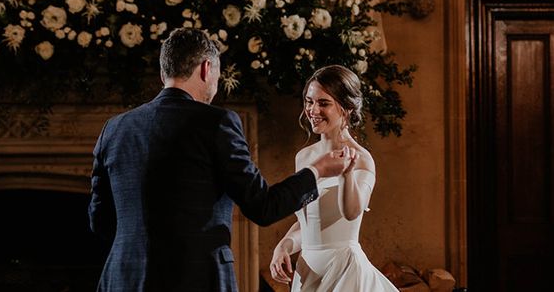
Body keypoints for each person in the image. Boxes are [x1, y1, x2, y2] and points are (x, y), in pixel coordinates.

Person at [88, 28, 353, 292]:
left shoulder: (113, 129)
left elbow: (100, 221)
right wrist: (316, 171)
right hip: (197, 278)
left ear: (163, 73)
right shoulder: (216, 123)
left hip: (121, 279)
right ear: (206, 69)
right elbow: (263, 207)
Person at [269, 65, 398, 291]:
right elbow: (309, 224)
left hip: (343, 271)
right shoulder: (304, 156)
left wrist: (346, 175)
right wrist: (284, 246)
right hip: (307, 271)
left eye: (323, 103)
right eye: (309, 101)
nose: (313, 110)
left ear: (347, 108)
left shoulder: (363, 159)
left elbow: (352, 212)